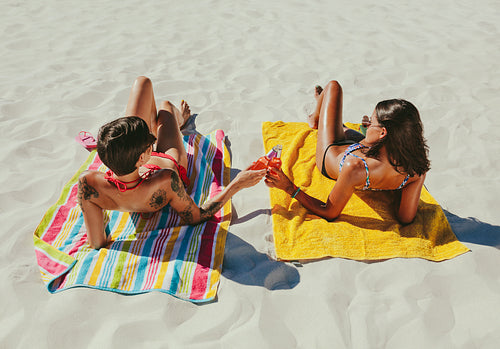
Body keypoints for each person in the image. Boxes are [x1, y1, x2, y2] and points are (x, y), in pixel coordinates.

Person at [77, 76, 266, 249]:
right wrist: (237, 184)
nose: (152, 139)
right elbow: (197, 216)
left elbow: (97, 243)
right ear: (143, 157)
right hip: (169, 159)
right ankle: (180, 119)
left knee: (142, 83)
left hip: (126, 159)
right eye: (149, 144)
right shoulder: (166, 180)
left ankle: (155, 128)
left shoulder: (89, 183)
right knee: (165, 108)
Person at [265, 80, 430, 224]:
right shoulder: (415, 170)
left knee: (333, 87)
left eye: (372, 122)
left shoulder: (355, 167)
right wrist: (368, 133)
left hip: (331, 153)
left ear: (383, 133)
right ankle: (332, 119)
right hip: (367, 147)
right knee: (345, 128)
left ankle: (315, 117)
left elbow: (329, 212)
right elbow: (405, 218)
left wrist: (288, 187)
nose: (369, 123)